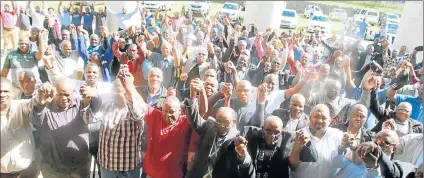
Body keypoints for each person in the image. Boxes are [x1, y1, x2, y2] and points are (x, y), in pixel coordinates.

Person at [81, 65, 145, 178]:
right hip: (107, 166)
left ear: (126, 92)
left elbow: (139, 115)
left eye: (118, 90)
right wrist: (86, 101)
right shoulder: (107, 105)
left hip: (127, 168)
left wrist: (130, 91)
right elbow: (89, 119)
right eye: (113, 89)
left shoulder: (134, 107)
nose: (114, 93)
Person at [184, 79, 255, 178]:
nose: (221, 125)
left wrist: (243, 155)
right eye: (218, 121)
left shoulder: (236, 141)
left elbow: (245, 165)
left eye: (226, 122)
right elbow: (194, 120)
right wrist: (192, 97)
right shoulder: (209, 126)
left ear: (233, 123)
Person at [31, 78, 90, 178]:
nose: (63, 98)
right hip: (54, 169)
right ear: (54, 92)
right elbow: (36, 121)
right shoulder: (46, 106)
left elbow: (95, 113)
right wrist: (41, 104)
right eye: (59, 94)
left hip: (80, 168)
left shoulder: (81, 104)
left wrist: (92, 96)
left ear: (73, 93)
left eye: (67, 95)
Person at [241, 116, 318, 178]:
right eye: (268, 132)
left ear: (282, 131)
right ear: (262, 129)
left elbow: (312, 158)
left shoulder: (289, 139)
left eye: (277, 133)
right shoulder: (253, 136)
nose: (272, 136)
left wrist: (307, 143)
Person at [0, 78, 39, 178]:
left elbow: (32, 103)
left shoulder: (20, 106)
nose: (2, 95)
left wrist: (41, 97)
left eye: (6, 91)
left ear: (12, 93)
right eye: (0, 91)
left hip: (27, 172)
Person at [292, 104, 344, 178]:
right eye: (316, 117)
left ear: (330, 120)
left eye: (324, 118)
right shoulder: (299, 135)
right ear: (309, 118)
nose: (319, 121)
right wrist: (295, 150)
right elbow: (293, 165)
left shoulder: (338, 135)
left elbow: (347, 159)